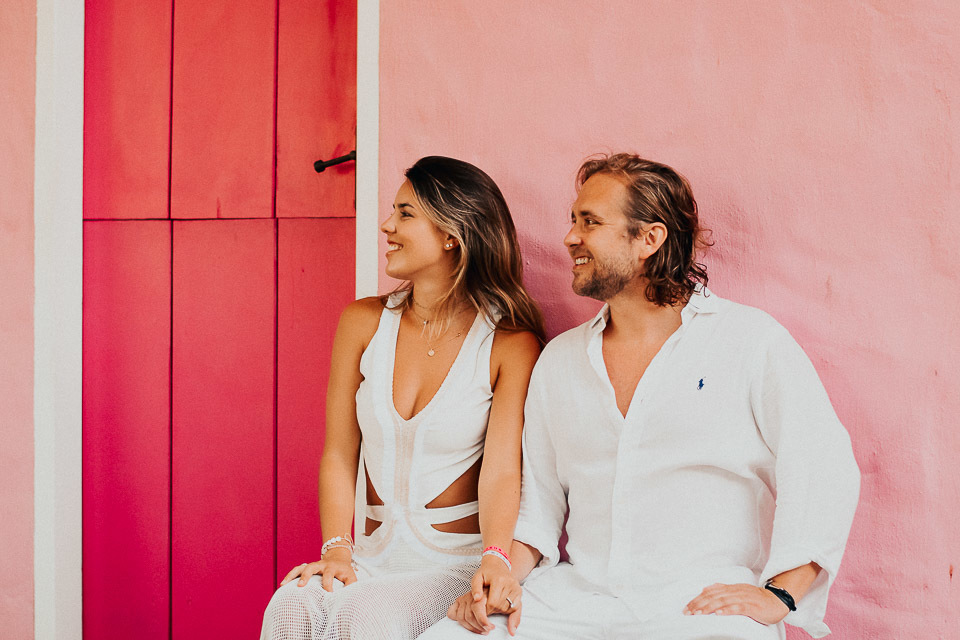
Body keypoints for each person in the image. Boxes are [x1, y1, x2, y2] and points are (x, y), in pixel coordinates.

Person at [423, 153, 860, 639]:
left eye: (590, 222)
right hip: (579, 603)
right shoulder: (560, 362)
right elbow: (537, 510)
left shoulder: (750, 342)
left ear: (649, 239)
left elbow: (825, 466)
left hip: (703, 608)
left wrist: (780, 593)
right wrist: (501, 571)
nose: (571, 237)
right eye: (573, 220)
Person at [260, 156, 543, 639]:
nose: (388, 226)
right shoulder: (363, 322)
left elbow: (502, 470)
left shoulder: (509, 344)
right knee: (291, 604)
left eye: (406, 214)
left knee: (362, 617)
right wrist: (336, 548)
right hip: (368, 559)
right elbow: (338, 452)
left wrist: (496, 559)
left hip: (449, 567)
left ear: (453, 233)